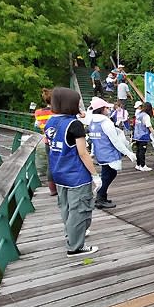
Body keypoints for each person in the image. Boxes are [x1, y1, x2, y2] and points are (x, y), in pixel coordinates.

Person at [44, 87, 100, 257]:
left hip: (59, 173)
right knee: (80, 209)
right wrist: (95, 175)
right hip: (76, 174)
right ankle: (75, 247)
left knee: (66, 208)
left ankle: (70, 234)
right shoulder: (74, 125)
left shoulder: (50, 122)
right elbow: (83, 153)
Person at [87, 98, 137, 209]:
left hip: (100, 153)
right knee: (108, 175)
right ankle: (100, 198)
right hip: (109, 153)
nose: (109, 109)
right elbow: (115, 140)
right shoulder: (105, 122)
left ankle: (102, 196)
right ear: (101, 109)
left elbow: (94, 139)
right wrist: (128, 153)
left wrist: (93, 152)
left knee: (107, 174)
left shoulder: (91, 122)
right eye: (106, 107)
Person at [34, 88, 56, 196]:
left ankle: (52, 190)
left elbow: (37, 125)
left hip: (47, 140)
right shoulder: (58, 111)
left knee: (50, 165)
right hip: (60, 141)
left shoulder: (38, 112)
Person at [133, 102, 154, 171]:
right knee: (142, 151)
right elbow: (149, 126)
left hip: (137, 135)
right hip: (143, 136)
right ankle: (143, 165)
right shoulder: (146, 116)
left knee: (138, 150)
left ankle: (138, 164)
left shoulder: (138, 114)